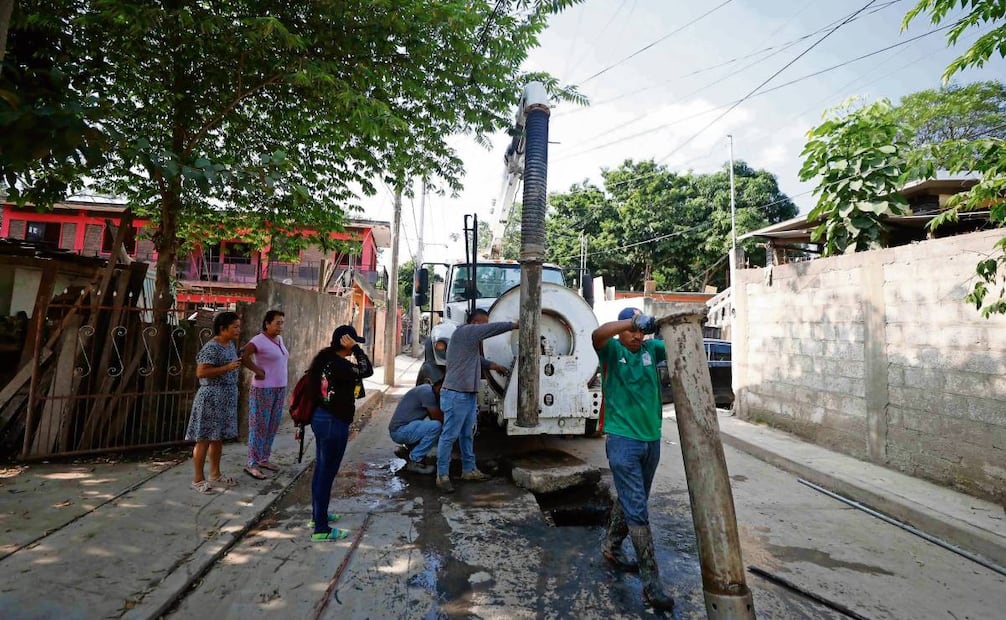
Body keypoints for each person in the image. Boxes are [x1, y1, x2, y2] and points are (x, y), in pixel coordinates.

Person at [592, 306, 675, 612]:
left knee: (632, 499)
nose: (637, 336)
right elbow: (597, 334)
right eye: (632, 330)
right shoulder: (612, 351)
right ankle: (651, 584)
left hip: (651, 440)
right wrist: (630, 321)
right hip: (622, 440)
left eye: (641, 331)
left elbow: (678, 341)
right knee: (638, 508)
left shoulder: (652, 350)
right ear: (622, 329)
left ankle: (612, 546)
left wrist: (673, 322)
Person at [435, 308, 516, 493]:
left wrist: (494, 365)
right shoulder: (465, 331)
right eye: (484, 324)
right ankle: (442, 475)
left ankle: (469, 470)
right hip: (456, 395)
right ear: (476, 323)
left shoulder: (466, 342)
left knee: (467, 434)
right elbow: (493, 329)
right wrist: (515, 325)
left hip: (468, 395)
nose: (485, 328)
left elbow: (476, 359)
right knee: (449, 436)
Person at [306, 324, 373, 541]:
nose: (354, 347)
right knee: (326, 473)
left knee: (321, 470)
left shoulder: (324, 359)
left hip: (321, 418)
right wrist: (357, 350)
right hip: (333, 422)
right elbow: (367, 370)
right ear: (346, 342)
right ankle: (321, 529)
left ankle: (318, 516)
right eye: (353, 342)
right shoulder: (339, 364)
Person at [185, 311, 243, 494]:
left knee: (217, 438)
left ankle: (215, 474)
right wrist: (227, 367)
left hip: (224, 398)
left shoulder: (230, 344)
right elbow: (201, 372)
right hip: (211, 398)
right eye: (235, 327)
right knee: (203, 439)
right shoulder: (211, 347)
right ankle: (197, 479)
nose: (238, 330)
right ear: (222, 328)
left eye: (239, 327)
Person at [241, 310, 288, 481]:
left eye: (282, 323)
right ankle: (252, 463)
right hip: (263, 389)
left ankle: (263, 458)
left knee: (272, 425)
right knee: (259, 426)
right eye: (277, 323)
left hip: (279, 388)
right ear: (267, 324)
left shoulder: (279, 339)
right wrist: (257, 370)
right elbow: (243, 355)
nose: (280, 326)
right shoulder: (258, 340)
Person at [388, 380, 443, 475]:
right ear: (440, 387)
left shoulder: (427, 389)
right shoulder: (428, 393)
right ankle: (415, 460)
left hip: (402, 429)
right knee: (436, 426)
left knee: (431, 426)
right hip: (400, 431)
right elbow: (438, 418)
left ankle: (409, 452)